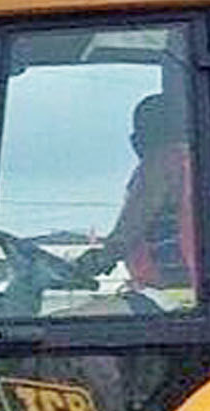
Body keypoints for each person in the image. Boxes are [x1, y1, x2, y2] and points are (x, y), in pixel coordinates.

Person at [77, 92, 198, 294]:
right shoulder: (207, 169)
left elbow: (132, 226)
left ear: (140, 138)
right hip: (198, 290)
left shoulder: (162, 163)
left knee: (70, 321)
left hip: (173, 294)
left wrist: (98, 259)